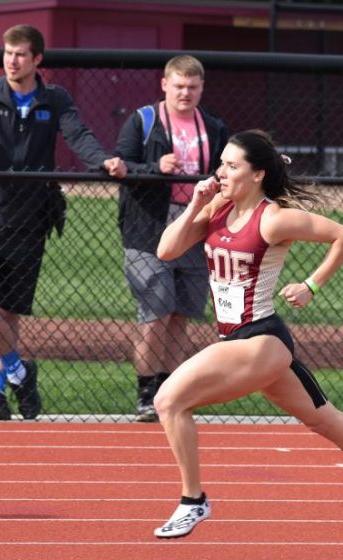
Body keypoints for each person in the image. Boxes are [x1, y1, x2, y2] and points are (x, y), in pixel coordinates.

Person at [150, 129, 343, 541]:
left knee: (168, 399)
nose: (221, 172)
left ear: (256, 175)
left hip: (260, 339)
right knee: (323, 419)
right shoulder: (218, 206)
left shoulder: (273, 219)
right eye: (221, 163)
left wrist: (311, 285)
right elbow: (166, 250)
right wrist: (196, 204)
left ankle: (193, 500)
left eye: (231, 166)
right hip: (239, 342)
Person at [0, 24, 127, 421]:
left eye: (19, 54)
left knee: (10, 311)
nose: (11, 61)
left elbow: (78, 134)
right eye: (7, 53)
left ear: (37, 59)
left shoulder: (55, 99)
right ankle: (20, 370)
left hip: (29, 219)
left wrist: (103, 160)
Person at [115, 55, 228, 423]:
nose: (185, 93)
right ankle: (146, 392)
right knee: (156, 307)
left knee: (182, 312)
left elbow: (227, 171)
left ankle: (172, 389)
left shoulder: (212, 126)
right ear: (165, 84)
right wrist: (155, 168)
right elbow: (120, 164)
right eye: (179, 86)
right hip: (150, 227)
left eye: (192, 87)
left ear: (201, 88)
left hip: (196, 224)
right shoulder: (144, 121)